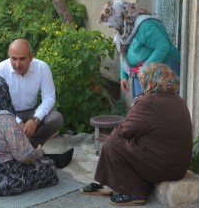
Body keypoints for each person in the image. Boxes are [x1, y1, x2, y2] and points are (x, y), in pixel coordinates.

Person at [80, 63, 192, 206]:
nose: (140, 83)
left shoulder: (149, 102)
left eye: (142, 79)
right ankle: (113, 184)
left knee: (113, 143)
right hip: (178, 166)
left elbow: (124, 130)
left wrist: (113, 136)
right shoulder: (178, 100)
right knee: (124, 142)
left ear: (151, 80)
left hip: (165, 167)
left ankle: (134, 192)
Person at [98, 0, 181, 99]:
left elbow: (163, 46)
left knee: (161, 110)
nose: (111, 27)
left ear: (119, 16)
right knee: (144, 110)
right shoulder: (125, 29)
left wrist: (145, 69)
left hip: (165, 71)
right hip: (144, 76)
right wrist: (123, 76)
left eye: (111, 23)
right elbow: (124, 52)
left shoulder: (145, 26)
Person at [0, 39, 64, 148]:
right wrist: (17, 121)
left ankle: (29, 147)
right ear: (9, 55)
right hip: (9, 114)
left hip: (32, 112)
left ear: (31, 57)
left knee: (56, 118)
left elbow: (49, 98)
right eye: (14, 59)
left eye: (22, 59)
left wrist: (35, 120)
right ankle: (21, 149)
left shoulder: (42, 68)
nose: (17, 64)